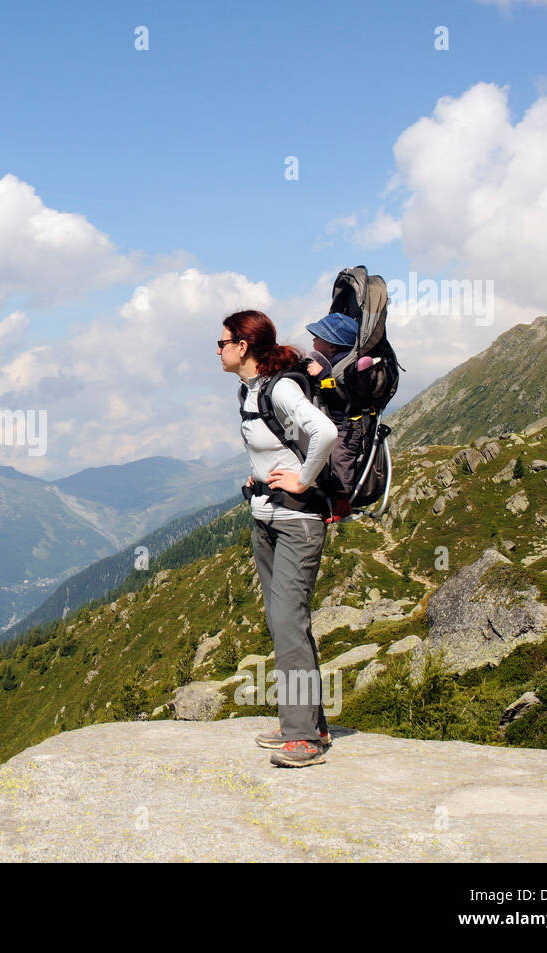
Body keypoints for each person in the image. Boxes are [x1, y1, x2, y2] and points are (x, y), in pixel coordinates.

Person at [219, 309, 336, 767]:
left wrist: (303, 481)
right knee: (284, 621)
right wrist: (260, 478)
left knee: (288, 621)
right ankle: (309, 724)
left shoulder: (280, 388)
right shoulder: (248, 391)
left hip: (297, 522)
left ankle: (303, 738)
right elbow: (276, 447)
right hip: (266, 518)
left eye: (222, 343)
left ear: (243, 347)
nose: (218, 350)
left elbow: (322, 433)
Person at [303, 312, 377, 523]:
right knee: (328, 455)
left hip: (348, 425)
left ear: (332, 346)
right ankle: (326, 494)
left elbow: (342, 388)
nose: (313, 340)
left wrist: (323, 376)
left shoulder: (344, 367)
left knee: (340, 456)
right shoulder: (332, 361)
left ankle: (342, 502)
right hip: (333, 420)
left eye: (318, 338)